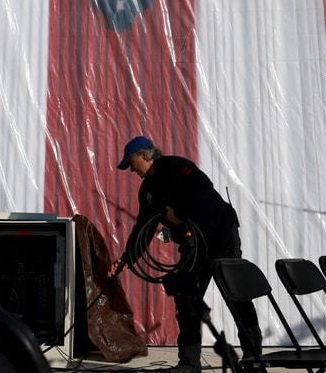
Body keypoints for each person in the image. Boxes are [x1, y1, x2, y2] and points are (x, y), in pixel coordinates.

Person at [111, 136, 262, 373]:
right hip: (194, 248)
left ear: (144, 155)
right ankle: (189, 363)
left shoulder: (177, 167)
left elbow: (202, 194)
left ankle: (253, 358)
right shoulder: (148, 191)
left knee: (236, 296)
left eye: (131, 162)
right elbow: (144, 227)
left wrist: (179, 215)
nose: (131, 169)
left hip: (220, 237)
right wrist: (126, 259)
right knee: (187, 299)